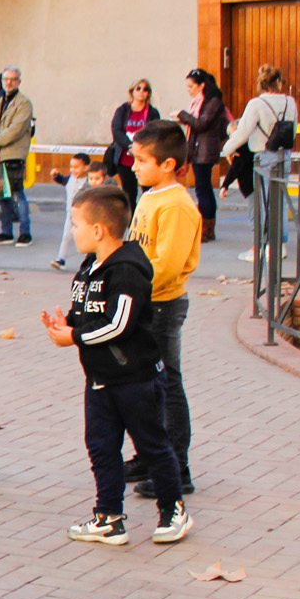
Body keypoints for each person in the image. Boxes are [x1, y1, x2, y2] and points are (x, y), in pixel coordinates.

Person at [40, 184, 191, 547]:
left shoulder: (126, 271)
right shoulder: (90, 265)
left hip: (134, 378)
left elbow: (118, 323)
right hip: (100, 379)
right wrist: (67, 324)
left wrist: (73, 337)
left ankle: (173, 509)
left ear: (98, 230)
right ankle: (108, 517)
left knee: (153, 444)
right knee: (102, 447)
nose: (71, 230)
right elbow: (88, 313)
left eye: (75, 224)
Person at [119, 121, 201, 499]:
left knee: (167, 385)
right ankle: (148, 455)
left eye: (140, 160)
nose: (133, 166)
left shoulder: (178, 205)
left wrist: (133, 283)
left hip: (163, 305)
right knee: (143, 385)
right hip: (143, 302)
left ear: (167, 164)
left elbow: (166, 264)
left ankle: (176, 466)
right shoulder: (151, 196)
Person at [222, 64, 299, 265]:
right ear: (279, 82)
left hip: (264, 154)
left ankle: (267, 245)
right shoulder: (290, 102)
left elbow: (243, 132)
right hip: (285, 154)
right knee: (279, 198)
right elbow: (294, 128)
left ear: (261, 84)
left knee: (264, 201)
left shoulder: (256, 104)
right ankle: (280, 244)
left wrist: (227, 150)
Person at [0, 68, 35, 245]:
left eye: (13, 79)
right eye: (6, 79)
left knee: (18, 194)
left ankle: (25, 233)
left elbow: (16, 129)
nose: (9, 82)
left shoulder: (24, 103)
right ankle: (6, 232)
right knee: (1, 194)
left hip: (12, 154)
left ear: (19, 82)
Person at [177, 70, 229, 242]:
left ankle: (207, 229)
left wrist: (182, 115)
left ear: (202, 86)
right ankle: (206, 227)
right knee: (202, 188)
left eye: (191, 86)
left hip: (205, 150)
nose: (189, 90)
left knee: (203, 188)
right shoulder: (199, 102)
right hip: (198, 149)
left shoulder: (212, 102)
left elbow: (201, 123)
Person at [104, 78, 159, 206]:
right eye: (138, 88)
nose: (141, 92)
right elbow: (116, 131)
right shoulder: (123, 110)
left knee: (148, 192)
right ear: (132, 91)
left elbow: (154, 132)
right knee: (129, 194)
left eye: (145, 89)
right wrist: (130, 146)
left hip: (145, 158)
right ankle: (132, 224)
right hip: (125, 158)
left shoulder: (152, 112)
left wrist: (141, 148)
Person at [49, 151, 94, 269]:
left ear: (86, 167)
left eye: (77, 167)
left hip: (85, 214)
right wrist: (56, 175)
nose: (73, 170)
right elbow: (62, 180)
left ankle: (89, 261)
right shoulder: (71, 178)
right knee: (66, 236)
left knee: (86, 237)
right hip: (71, 213)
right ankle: (60, 259)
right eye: (71, 167)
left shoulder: (89, 181)